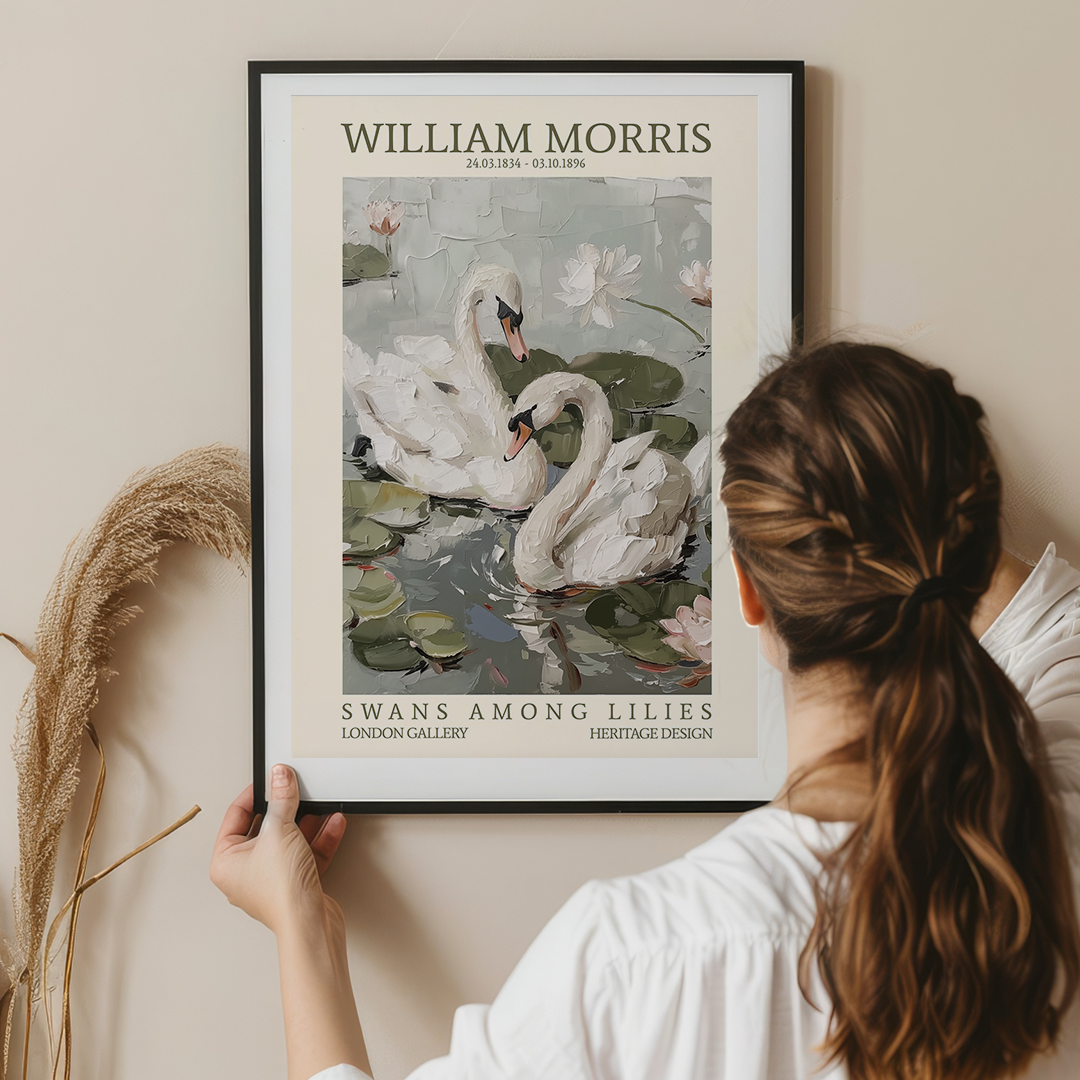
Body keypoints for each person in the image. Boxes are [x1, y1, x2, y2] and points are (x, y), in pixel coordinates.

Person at [211, 342, 1080, 1080]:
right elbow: (1042, 609)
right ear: (961, 554)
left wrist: (302, 924)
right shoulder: (1053, 824)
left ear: (744, 591)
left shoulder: (643, 960)